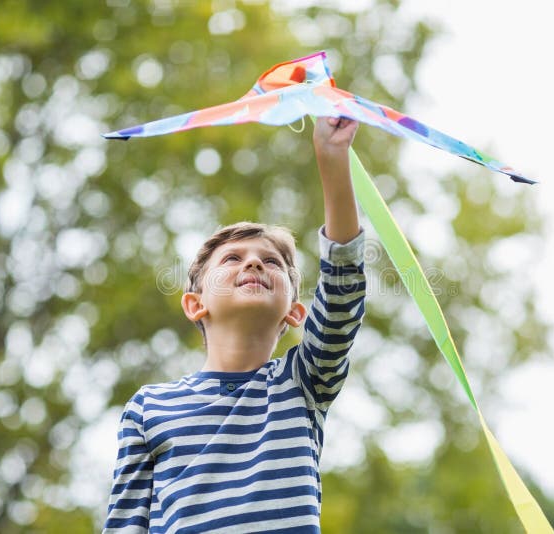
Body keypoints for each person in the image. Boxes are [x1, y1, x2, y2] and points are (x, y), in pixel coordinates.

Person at [104, 117, 366, 533]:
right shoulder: (149, 408)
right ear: (195, 304)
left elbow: (342, 291)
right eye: (231, 259)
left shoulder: (302, 383)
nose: (254, 262)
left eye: (272, 262)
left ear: (294, 313)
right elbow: (124, 526)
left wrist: (332, 158)